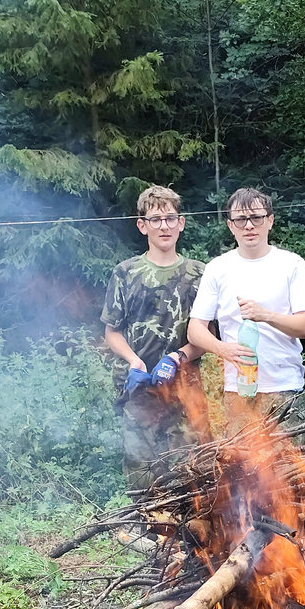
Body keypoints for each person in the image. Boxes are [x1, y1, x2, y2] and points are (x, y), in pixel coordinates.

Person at [187, 188, 305, 425]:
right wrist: (222, 349)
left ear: (270, 221)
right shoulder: (218, 268)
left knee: (293, 452)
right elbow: (195, 329)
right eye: (240, 219)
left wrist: (265, 315)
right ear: (231, 226)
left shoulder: (291, 264)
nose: (249, 226)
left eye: (256, 217)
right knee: (240, 452)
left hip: (285, 388)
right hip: (238, 390)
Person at [101, 185, 210, 467]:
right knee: (143, 478)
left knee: (194, 474)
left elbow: (208, 337)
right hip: (139, 393)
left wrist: (177, 358)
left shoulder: (200, 274)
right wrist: (133, 361)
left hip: (185, 395)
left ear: (181, 223)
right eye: (155, 219)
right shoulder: (125, 273)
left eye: (170, 218)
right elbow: (112, 332)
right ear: (142, 226)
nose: (164, 226)